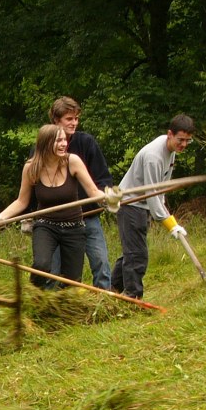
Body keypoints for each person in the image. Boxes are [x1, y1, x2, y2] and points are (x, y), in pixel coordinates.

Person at [0, 125, 106, 287]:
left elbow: (93, 191)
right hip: (46, 226)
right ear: (45, 143)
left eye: (64, 140)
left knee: (72, 282)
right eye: (58, 140)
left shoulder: (72, 161)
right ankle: (34, 296)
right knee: (42, 265)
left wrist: (108, 198)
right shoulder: (31, 168)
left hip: (74, 226)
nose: (63, 144)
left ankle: (62, 309)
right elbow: (21, 201)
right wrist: (1, 217)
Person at [110, 115, 195, 299]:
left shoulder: (170, 150)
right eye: (181, 140)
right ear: (169, 134)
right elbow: (152, 195)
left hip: (141, 205)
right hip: (130, 204)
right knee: (137, 255)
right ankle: (133, 296)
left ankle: (112, 289)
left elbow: (160, 188)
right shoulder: (153, 157)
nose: (184, 145)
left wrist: (167, 215)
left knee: (131, 252)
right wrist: (169, 224)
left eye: (188, 141)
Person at [48, 97, 114, 289]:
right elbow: (34, 183)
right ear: (56, 120)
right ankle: (57, 307)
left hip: (88, 215)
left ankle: (104, 300)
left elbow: (102, 178)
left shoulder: (86, 142)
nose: (74, 123)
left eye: (76, 118)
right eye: (69, 119)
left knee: (100, 261)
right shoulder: (42, 147)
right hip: (56, 220)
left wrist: (104, 196)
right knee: (55, 270)